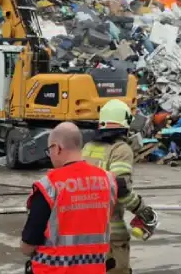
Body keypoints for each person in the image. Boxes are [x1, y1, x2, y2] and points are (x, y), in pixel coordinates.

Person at [21, 122, 116, 274]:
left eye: (49, 150)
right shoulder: (108, 180)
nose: (50, 155)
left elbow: (27, 246)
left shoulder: (49, 186)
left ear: (57, 148)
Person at [83, 100, 157, 274]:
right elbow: (119, 187)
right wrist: (142, 209)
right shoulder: (121, 149)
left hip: (84, 229)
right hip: (111, 233)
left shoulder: (88, 147)